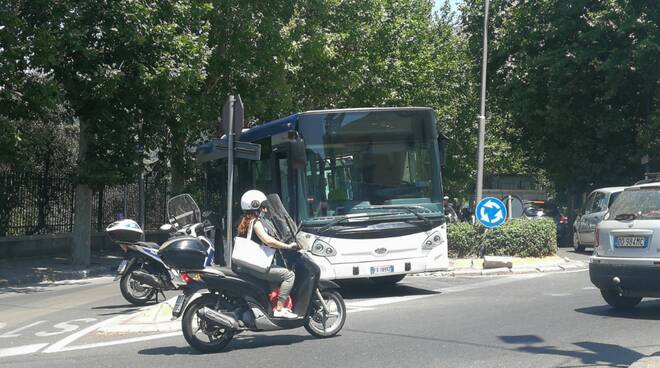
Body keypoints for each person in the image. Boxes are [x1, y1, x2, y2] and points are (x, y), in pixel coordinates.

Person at [237, 190, 298, 319]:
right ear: (255, 206)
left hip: (246, 266)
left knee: (274, 281)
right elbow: (268, 241)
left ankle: (270, 309)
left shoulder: (244, 222)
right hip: (256, 266)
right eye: (263, 207)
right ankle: (280, 309)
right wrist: (287, 246)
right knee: (289, 275)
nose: (265, 210)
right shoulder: (256, 223)